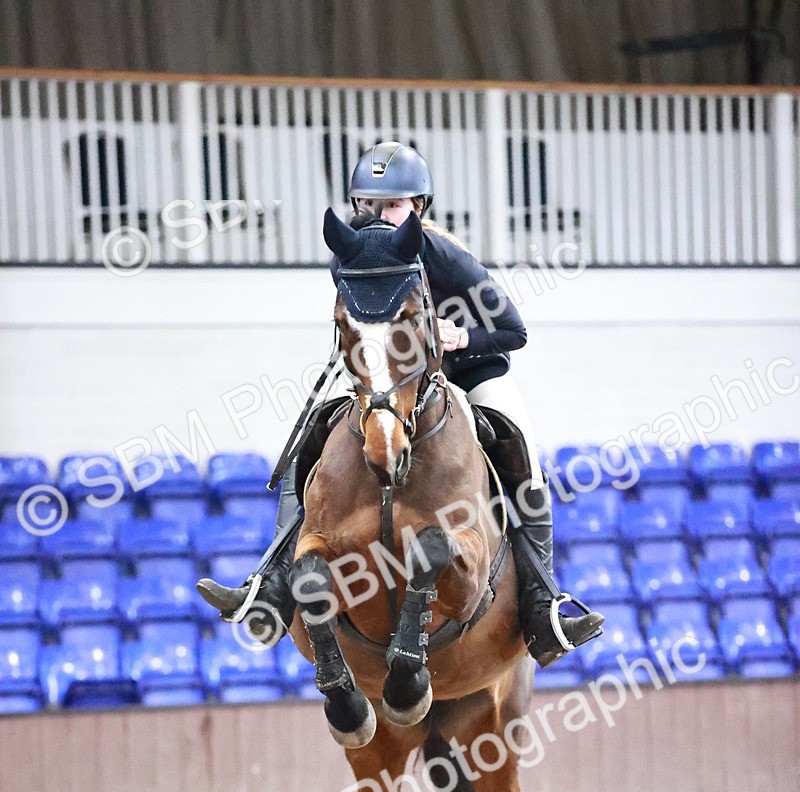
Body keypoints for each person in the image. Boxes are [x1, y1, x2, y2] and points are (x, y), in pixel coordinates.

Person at [198, 142, 604, 666]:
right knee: (309, 447)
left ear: (419, 207)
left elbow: (513, 331)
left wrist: (458, 338)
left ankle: (541, 606)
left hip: (469, 374)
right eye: (367, 204)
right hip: (387, 383)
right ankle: (272, 587)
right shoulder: (349, 253)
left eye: (391, 206)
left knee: (524, 456)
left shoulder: (441, 254)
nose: (377, 216)